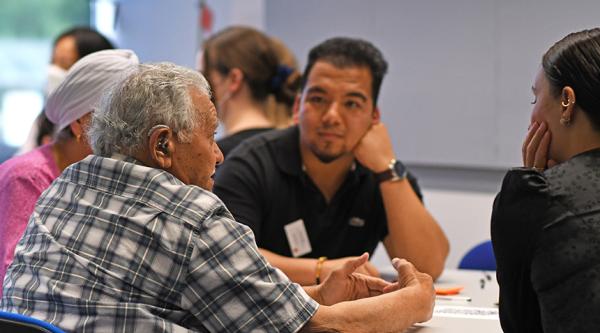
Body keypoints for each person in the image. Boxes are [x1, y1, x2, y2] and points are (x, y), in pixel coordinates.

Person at [1, 62, 435, 332]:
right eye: (210, 136)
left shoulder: (65, 186)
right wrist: (412, 302)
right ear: (163, 146)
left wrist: (317, 295)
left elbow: (229, 302)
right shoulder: (190, 215)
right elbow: (315, 332)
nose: (219, 154)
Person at [213, 37, 449, 285]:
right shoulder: (251, 163)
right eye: (318, 99)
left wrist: (387, 170)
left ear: (374, 117)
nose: (332, 116)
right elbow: (231, 256)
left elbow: (427, 266)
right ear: (297, 106)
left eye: (351, 104)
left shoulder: (381, 174)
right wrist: (321, 270)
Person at [0, 49, 139, 297]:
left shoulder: (100, 176)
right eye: (122, 122)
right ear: (82, 123)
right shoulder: (27, 177)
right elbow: (17, 279)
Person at [491, 27, 600, 332]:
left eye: (534, 98)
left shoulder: (536, 196)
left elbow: (521, 324)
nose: (532, 117)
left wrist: (533, 187)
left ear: (567, 101)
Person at [201, 26, 300, 157]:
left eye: (204, 75)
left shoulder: (216, 159)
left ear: (234, 79)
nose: (200, 85)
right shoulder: (294, 150)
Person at [19, 27, 115, 153]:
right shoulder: (45, 119)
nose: (53, 71)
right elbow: (22, 159)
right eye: (53, 62)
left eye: (66, 64)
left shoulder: (110, 125)